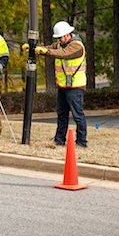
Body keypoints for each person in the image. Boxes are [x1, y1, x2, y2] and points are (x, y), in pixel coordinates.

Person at [35, 20, 88, 148]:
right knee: (61, 114)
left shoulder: (77, 46)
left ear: (68, 34)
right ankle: (59, 140)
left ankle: (81, 142)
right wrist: (35, 48)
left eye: (61, 37)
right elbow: (49, 48)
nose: (59, 40)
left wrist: (45, 52)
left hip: (76, 87)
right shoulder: (59, 44)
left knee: (78, 115)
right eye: (58, 38)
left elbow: (63, 54)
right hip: (63, 86)